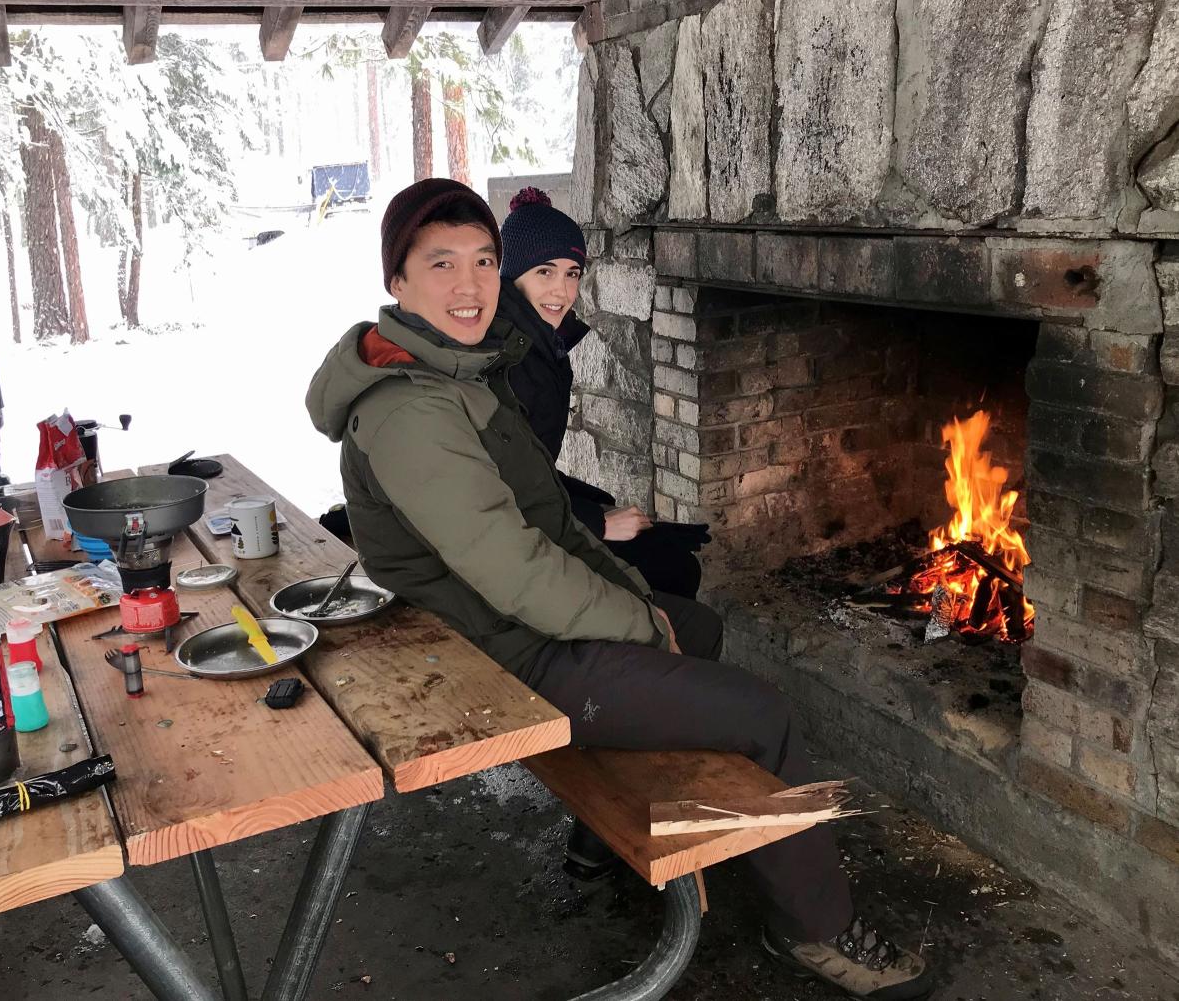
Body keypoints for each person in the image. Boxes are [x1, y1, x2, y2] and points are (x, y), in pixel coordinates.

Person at [305, 178, 932, 999]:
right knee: (761, 713)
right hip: (490, 654)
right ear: (398, 281)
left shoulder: (460, 372)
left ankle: (611, 830)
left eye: (485, 261)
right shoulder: (411, 408)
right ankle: (817, 932)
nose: (470, 285)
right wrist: (634, 623)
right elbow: (514, 567)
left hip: (501, 623)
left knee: (694, 626)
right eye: (442, 263)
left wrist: (637, 599)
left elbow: (551, 526)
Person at [497, 187, 708, 599]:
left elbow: (531, 464)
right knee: (674, 571)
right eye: (545, 271)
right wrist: (596, 521)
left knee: (668, 556)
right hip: (514, 543)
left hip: (540, 517)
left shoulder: (541, 347)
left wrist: (599, 504)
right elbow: (501, 485)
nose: (561, 291)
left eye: (572, 273)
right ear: (513, 274)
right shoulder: (508, 362)